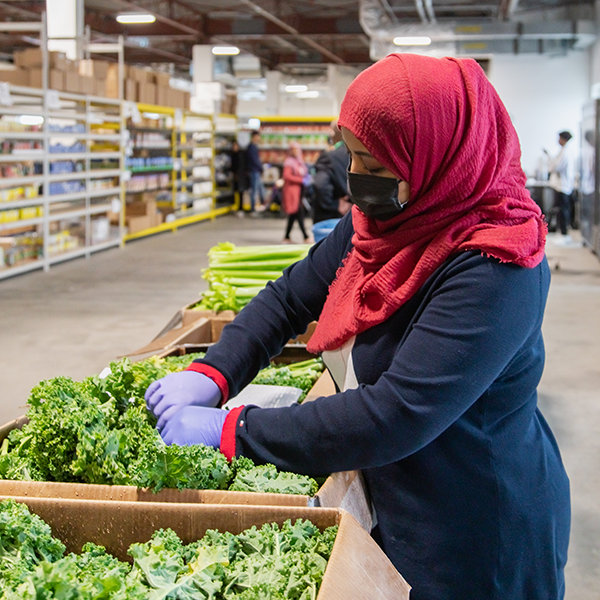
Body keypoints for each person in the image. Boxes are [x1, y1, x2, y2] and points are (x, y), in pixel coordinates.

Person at [145, 54, 570, 600]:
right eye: (353, 155)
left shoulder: (497, 264)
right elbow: (289, 297)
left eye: (374, 162)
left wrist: (233, 430)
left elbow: (394, 415)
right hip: (401, 497)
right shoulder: (385, 219)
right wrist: (213, 372)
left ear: (433, 155)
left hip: (477, 527)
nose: (356, 181)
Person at [312, 119, 352, 223]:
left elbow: (321, 184)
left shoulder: (329, 157)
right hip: (354, 215)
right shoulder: (358, 154)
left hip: (331, 216)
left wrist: (335, 204)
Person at [545, 130, 575, 243]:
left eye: (559, 138)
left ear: (563, 139)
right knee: (561, 209)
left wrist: (549, 159)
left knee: (563, 210)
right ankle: (561, 232)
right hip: (562, 185)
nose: (558, 140)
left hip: (562, 186)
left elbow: (555, 167)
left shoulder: (565, 152)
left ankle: (564, 234)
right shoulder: (565, 151)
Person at [281, 141, 312, 244]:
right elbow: (287, 176)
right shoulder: (289, 162)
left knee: (294, 214)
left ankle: (286, 237)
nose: (296, 152)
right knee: (298, 212)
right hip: (292, 192)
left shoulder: (299, 162)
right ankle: (306, 236)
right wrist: (301, 180)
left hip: (299, 192)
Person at [246, 130, 266, 212]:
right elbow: (254, 160)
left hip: (256, 171)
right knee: (254, 191)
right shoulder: (251, 147)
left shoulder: (253, 146)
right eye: (258, 136)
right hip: (254, 171)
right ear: (254, 137)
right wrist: (261, 167)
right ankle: (253, 209)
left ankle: (263, 206)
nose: (259, 138)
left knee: (261, 190)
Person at [230, 140, 249, 205]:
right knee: (236, 191)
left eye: (235, 146)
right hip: (237, 176)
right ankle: (235, 205)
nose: (234, 147)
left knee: (240, 192)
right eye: (233, 146)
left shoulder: (240, 155)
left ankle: (240, 207)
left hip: (240, 177)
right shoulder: (233, 155)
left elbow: (241, 166)